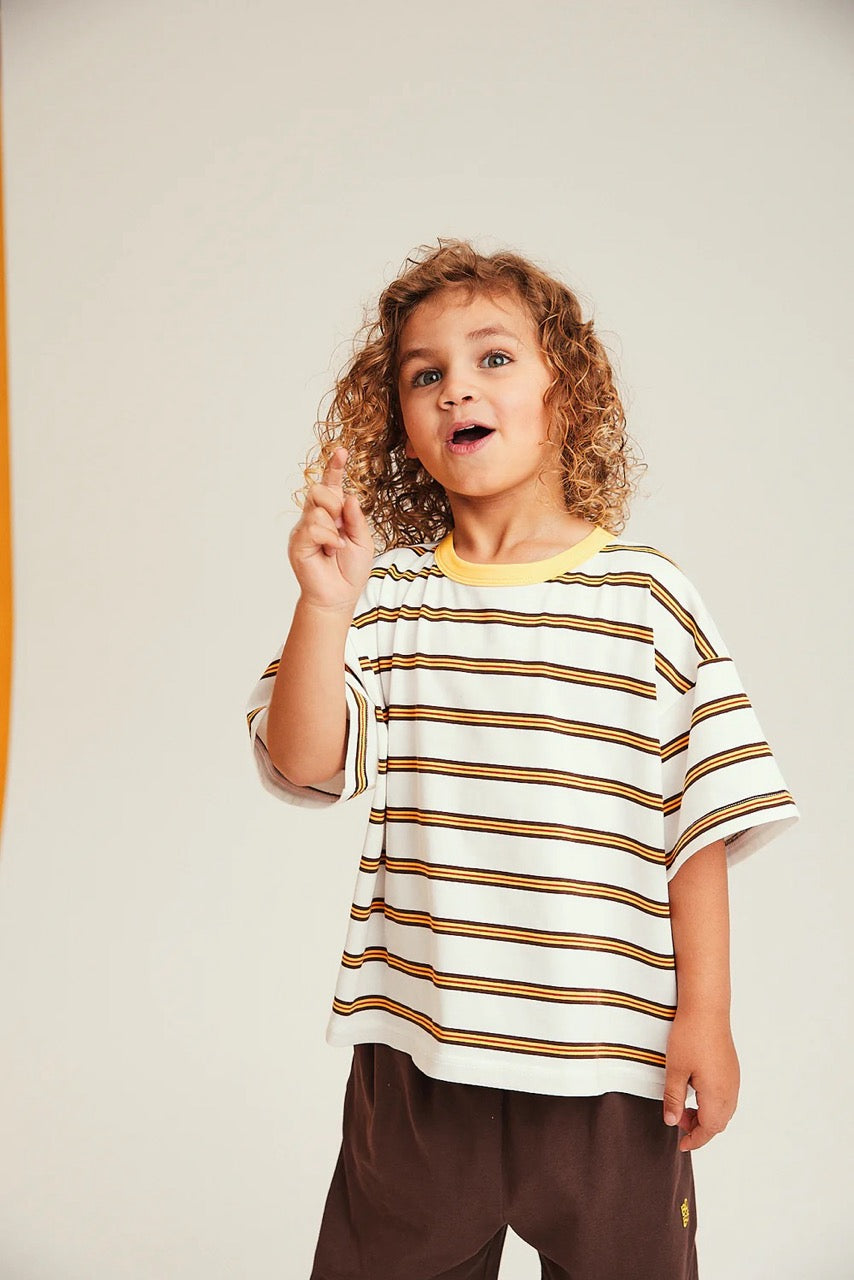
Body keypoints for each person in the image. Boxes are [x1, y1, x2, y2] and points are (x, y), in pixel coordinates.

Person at [245, 238, 800, 1280]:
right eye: (424, 374)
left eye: (492, 357)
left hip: (606, 1069)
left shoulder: (646, 598)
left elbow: (698, 825)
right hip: (420, 1056)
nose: (456, 385)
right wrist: (322, 602)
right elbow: (304, 759)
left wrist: (707, 1018)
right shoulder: (386, 598)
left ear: (565, 393)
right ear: (403, 423)